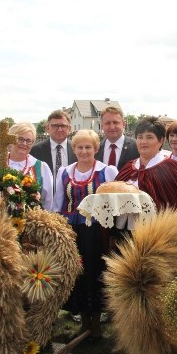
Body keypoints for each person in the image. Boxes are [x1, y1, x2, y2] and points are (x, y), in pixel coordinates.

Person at [51, 130, 118, 342]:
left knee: (94, 270)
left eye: (88, 147)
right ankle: (84, 319)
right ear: (73, 150)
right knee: (76, 271)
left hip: (96, 230)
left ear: (96, 149)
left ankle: (97, 321)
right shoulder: (64, 172)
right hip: (72, 229)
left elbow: (116, 201)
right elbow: (57, 203)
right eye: (79, 147)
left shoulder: (106, 171)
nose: (84, 151)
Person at [115, 116, 177, 210]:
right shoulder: (128, 168)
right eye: (140, 137)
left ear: (161, 141)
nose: (143, 141)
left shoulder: (170, 168)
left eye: (149, 137)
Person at [7, 122, 54, 209]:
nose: (24, 144)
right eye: (20, 139)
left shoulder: (41, 167)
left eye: (29, 141)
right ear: (10, 140)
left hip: (30, 221)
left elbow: (48, 202)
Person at [30, 109, 76, 186]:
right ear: (47, 128)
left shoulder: (77, 149)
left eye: (63, 126)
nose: (59, 129)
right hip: (44, 196)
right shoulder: (35, 151)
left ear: (69, 129)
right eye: (55, 126)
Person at [95, 106, 139, 171]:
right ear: (102, 126)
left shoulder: (137, 147)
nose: (112, 127)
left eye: (115, 122)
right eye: (107, 123)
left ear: (124, 124)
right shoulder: (96, 150)